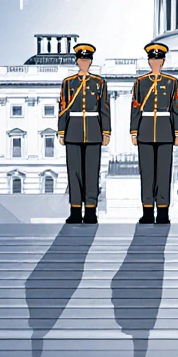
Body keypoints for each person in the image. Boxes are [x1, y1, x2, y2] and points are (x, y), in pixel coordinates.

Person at [130, 41, 178, 225]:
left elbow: (177, 108)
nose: (155, 62)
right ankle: (147, 211)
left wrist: (177, 132)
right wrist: (134, 131)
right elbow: (135, 108)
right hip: (145, 130)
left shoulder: (171, 82)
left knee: (163, 173)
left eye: (158, 58)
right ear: (148, 61)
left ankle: (162, 211)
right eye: (152, 58)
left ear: (163, 61)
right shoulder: (140, 82)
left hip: (165, 130)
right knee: (147, 174)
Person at [58, 42, 111, 224]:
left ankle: (90, 211)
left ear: (90, 61)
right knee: (74, 173)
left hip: (93, 130)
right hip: (73, 130)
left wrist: (106, 131)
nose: (84, 62)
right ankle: (74, 210)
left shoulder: (99, 83)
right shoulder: (68, 83)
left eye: (87, 59)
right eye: (81, 59)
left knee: (91, 172)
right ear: (77, 61)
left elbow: (104, 108)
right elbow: (63, 107)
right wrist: (61, 130)